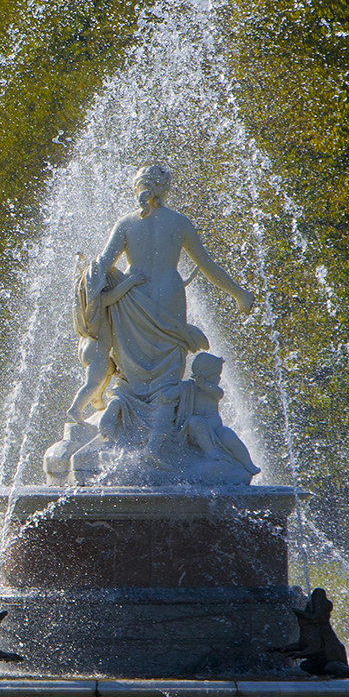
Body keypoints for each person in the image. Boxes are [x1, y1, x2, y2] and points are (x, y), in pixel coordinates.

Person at [90, 163, 254, 458]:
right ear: (166, 188)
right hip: (169, 295)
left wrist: (91, 292)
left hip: (134, 299)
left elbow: (101, 266)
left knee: (131, 372)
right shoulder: (179, 222)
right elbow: (206, 266)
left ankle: (120, 419)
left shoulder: (126, 223)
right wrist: (238, 294)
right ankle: (158, 443)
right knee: (167, 377)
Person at [68, 256, 147, 423]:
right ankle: (75, 409)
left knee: (110, 369)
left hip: (86, 346)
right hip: (98, 349)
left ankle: (96, 400)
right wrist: (132, 281)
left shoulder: (84, 308)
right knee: (92, 382)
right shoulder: (98, 301)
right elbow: (115, 294)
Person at [175, 352, 260, 476]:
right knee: (194, 422)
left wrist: (204, 385)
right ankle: (211, 452)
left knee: (229, 435)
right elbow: (176, 393)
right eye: (217, 375)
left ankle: (248, 463)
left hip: (216, 429)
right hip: (198, 431)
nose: (220, 379)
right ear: (207, 375)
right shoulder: (189, 388)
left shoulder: (212, 390)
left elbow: (219, 394)